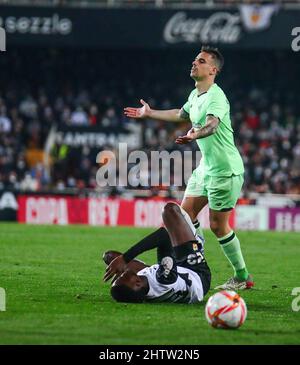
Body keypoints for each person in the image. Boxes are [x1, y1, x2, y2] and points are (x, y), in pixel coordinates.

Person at [124, 46, 253, 290]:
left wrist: (196, 134)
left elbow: (212, 125)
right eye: (195, 60)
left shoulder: (216, 96)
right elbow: (180, 113)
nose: (194, 63)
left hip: (225, 169)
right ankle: (195, 254)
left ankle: (242, 276)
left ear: (213, 70)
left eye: (201, 61)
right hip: (206, 167)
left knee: (218, 225)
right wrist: (149, 113)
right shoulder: (195, 95)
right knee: (184, 218)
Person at [103, 202, 211, 304]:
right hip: (196, 273)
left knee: (109, 257)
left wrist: (119, 262)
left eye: (117, 278)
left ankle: (190, 236)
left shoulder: (144, 286)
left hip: (172, 271)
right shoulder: (164, 279)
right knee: (169, 210)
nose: (120, 276)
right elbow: (164, 236)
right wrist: (125, 258)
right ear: (137, 283)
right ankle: (197, 242)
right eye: (122, 278)